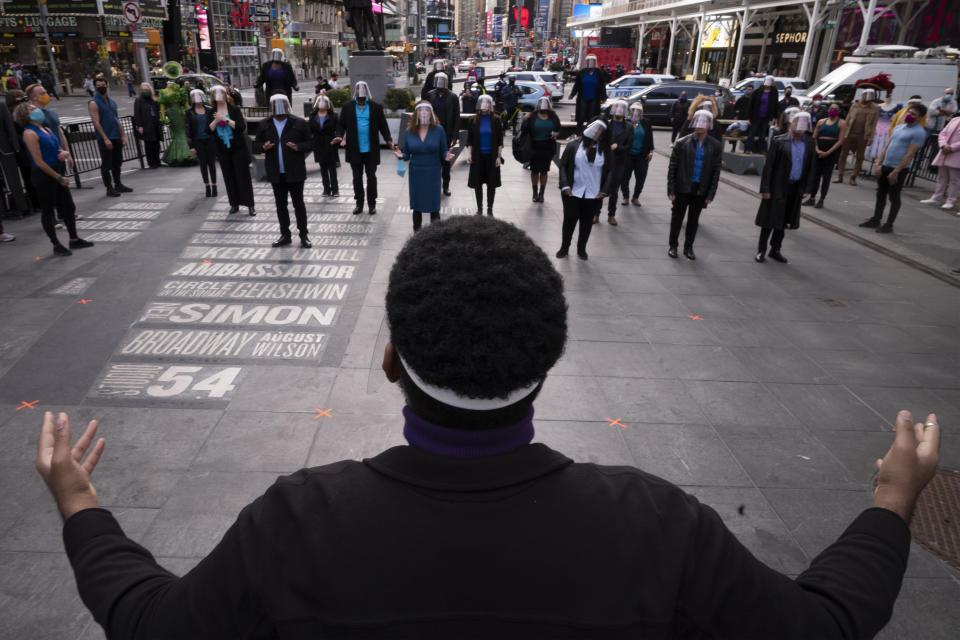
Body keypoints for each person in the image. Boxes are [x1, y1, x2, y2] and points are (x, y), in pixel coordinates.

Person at [34, 204, 945, 635]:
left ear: (392, 360)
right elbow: (826, 626)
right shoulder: (655, 525)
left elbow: (153, 624)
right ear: (547, 360)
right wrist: (891, 500)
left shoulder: (299, 521)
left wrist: (82, 507)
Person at [14, 102, 92, 256]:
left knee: (68, 207)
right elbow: (38, 160)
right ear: (26, 115)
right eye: (32, 109)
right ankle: (56, 244)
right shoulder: (29, 133)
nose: (36, 110)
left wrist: (63, 153)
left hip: (57, 170)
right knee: (48, 211)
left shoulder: (47, 129)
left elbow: (55, 148)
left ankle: (74, 239)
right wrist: (58, 177)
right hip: (44, 175)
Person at [254, 94, 314, 248]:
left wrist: (298, 147)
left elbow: (310, 143)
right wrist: (263, 147)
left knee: (298, 204)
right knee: (281, 205)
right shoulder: (265, 124)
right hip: (275, 171)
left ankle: (303, 235)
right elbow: (255, 145)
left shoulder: (298, 123)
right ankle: (285, 234)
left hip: (295, 171)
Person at [754, 111, 814, 264]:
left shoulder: (809, 143)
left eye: (803, 125)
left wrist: (808, 187)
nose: (800, 128)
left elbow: (810, 167)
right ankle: (761, 250)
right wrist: (765, 189)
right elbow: (769, 167)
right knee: (769, 219)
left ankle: (776, 249)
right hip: (777, 186)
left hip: (795, 187)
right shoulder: (780, 141)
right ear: (791, 123)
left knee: (784, 220)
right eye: (797, 123)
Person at [859, 103, 928, 233]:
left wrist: (896, 171)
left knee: (894, 197)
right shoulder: (899, 127)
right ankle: (876, 219)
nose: (909, 115)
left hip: (899, 169)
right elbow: (887, 146)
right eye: (909, 112)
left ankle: (889, 224)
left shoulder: (919, 132)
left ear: (920, 117)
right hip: (885, 165)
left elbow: (909, 154)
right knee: (880, 194)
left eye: (913, 114)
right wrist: (878, 163)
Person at [666, 109, 722, 261]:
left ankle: (688, 247)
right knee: (677, 218)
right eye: (697, 121)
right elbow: (673, 167)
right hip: (682, 187)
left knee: (693, 220)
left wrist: (711, 193)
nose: (700, 125)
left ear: (709, 125)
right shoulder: (682, 143)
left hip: (700, 189)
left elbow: (716, 171)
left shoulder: (715, 145)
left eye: (704, 122)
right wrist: (671, 189)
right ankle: (673, 245)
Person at [333, 81, 395, 216]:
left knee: (371, 177)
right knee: (357, 178)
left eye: (363, 89)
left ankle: (372, 204)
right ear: (354, 91)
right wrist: (339, 136)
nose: (360, 92)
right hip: (354, 149)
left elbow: (383, 126)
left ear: (367, 91)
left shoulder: (375, 107)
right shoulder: (347, 107)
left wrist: (389, 140)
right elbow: (341, 125)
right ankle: (359, 204)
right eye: (358, 89)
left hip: (371, 149)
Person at [557, 120, 613, 260]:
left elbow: (611, 171)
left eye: (601, 130)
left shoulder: (605, 150)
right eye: (596, 128)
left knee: (587, 222)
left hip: (593, 194)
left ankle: (581, 249)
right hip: (573, 191)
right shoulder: (573, 145)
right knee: (569, 220)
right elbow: (563, 165)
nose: (597, 132)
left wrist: (604, 191)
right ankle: (564, 247)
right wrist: (565, 185)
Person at [394, 101, 454, 232]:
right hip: (416, 173)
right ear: (416, 114)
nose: (424, 113)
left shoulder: (438, 130)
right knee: (417, 205)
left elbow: (444, 149)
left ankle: (435, 235)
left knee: (434, 205)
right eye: (421, 110)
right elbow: (407, 154)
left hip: (433, 171)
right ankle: (417, 233)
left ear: (431, 113)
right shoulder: (409, 132)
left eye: (427, 110)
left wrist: (446, 155)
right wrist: (401, 156)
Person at [209, 85, 255, 216]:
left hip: (238, 148)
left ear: (225, 95)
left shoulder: (234, 109)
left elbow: (241, 127)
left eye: (221, 93)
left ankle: (250, 205)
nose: (218, 95)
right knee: (229, 177)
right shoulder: (211, 111)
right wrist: (215, 120)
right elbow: (209, 130)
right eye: (215, 93)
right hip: (223, 150)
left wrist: (225, 119)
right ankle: (234, 204)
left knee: (243, 177)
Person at [88, 75, 131, 197]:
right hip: (105, 137)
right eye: (98, 86)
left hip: (116, 135)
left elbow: (116, 119)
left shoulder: (112, 102)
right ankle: (109, 188)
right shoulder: (93, 102)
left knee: (117, 162)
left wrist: (123, 136)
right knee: (107, 164)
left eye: (103, 85)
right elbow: (96, 122)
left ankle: (118, 184)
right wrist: (105, 138)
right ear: (95, 87)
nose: (101, 87)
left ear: (106, 85)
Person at [803, 102, 847, 209]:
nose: (833, 110)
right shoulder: (821, 121)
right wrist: (817, 149)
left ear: (839, 111)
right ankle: (812, 198)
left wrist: (828, 152)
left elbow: (840, 140)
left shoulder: (842, 123)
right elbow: (815, 137)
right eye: (831, 108)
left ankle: (821, 199)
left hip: (831, 152)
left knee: (826, 177)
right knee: (815, 175)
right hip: (819, 150)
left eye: (835, 109)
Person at [465, 94, 503, 217]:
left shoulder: (496, 120)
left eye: (487, 104)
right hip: (477, 156)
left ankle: (490, 209)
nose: (484, 106)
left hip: (491, 156)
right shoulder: (473, 120)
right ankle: (480, 209)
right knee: (477, 183)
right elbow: (469, 140)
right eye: (482, 103)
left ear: (490, 105)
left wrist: (498, 156)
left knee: (491, 184)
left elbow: (500, 141)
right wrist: (469, 154)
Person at [835, 88, 879, 185]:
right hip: (850, 133)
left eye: (870, 95)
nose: (867, 97)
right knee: (843, 154)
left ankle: (853, 177)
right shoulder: (855, 105)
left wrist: (871, 137)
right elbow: (848, 119)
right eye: (866, 94)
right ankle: (840, 175)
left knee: (859, 157)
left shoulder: (875, 108)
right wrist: (843, 133)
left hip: (862, 135)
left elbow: (874, 124)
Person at [426, 72, 460, 197]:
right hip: (432, 133)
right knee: (433, 161)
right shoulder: (430, 95)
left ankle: (445, 186)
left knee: (446, 163)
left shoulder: (453, 97)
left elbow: (457, 117)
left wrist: (455, 136)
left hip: (446, 134)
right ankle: (432, 185)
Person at [522, 96, 560, 203]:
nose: (543, 109)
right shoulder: (533, 116)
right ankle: (534, 193)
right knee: (534, 171)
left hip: (548, 146)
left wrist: (556, 133)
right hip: (534, 146)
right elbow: (524, 130)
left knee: (544, 171)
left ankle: (541, 194)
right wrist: (525, 120)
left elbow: (558, 129)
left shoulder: (553, 116)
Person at [602, 99, 634, 226]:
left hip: (619, 162)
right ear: (613, 109)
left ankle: (611, 215)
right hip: (605, 161)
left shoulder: (629, 127)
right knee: (601, 187)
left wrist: (618, 147)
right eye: (617, 108)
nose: (619, 110)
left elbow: (629, 145)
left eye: (622, 108)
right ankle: (596, 213)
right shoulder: (607, 124)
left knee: (614, 189)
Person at [920, 112, 960, 211]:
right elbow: (942, 133)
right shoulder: (955, 119)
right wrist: (943, 145)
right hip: (944, 152)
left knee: (954, 180)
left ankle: (950, 200)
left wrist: (952, 147)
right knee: (941, 177)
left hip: (956, 153)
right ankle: (936, 197)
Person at [185, 89, 217, 198]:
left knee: (212, 163)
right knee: (203, 164)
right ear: (192, 98)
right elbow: (187, 129)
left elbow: (216, 125)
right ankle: (207, 186)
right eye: (194, 96)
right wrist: (191, 145)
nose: (197, 98)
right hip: (198, 141)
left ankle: (214, 185)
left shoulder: (209, 110)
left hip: (210, 140)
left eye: (199, 95)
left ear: (203, 97)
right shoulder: (189, 112)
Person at [308, 94, 340, 197]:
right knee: (323, 168)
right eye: (320, 102)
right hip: (318, 144)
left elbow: (338, 129)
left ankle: (335, 190)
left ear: (328, 104)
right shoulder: (313, 116)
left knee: (332, 168)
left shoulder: (333, 115)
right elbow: (309, 130)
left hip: (330, 143)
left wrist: (338, 138)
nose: (322, 104)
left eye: (324, 102)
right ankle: (326, 189)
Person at [623, 101, 654, 207]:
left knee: (641, 177)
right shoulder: (626, 122)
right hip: (628, 154)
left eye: (638, 110)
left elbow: (650, 138)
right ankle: (626, 196)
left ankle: (635, 197)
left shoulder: (646, 122)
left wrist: (651, 152)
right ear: (630, 111)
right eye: (634, 110)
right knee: (624, 177)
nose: (636, 112)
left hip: (642, 154)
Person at [568, 55, 606, 132]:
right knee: (581, 117)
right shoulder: (581, 72)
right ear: (587, 62)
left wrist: (603, 97)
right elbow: (577, 85)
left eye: (592, 61)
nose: (591, 63)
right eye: (589, 61)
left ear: (595, 62)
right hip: (583, 98)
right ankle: (579, 133)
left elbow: (602, 86)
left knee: (592, 117)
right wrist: (572, 94)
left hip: (594, 99)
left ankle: (590, 132)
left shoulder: (599, 73)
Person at [745, 76, 780, 154]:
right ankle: (748, 148)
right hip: (756, 115)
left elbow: (775, 105)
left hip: (766, 116)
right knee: (752, 133)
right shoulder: (757, 92)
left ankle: (762, 150)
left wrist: (775, 117)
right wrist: (749, 116)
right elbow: (751, 104)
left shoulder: (774, 92)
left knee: (763, 134)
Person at [133, 82, 162, 168]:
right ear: (141, 91)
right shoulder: (139, 100)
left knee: (156, 144)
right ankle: (151, 163)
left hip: (155, 124)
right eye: (144, 90)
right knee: (149, 144)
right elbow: (137, 113)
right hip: (146, 125)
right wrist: (139, 125)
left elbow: (158, 110)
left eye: (147, 89)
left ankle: (157, 161)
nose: (146, 91)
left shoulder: (153, 99)